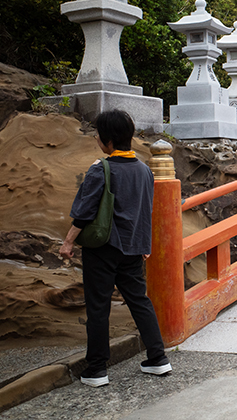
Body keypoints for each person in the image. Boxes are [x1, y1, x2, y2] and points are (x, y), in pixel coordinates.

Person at [60, 110, 171, 387]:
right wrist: (145, 243)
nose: (97, 138)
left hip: (104, 247)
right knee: (140, 301)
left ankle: (97, 369)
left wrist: (68, 241)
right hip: (133, 248)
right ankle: (158, 358)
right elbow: (146, 210)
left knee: (99, 306)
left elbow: (85, 211)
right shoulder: (145, 170)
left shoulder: (101, 169)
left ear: (108, 141)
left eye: (98, 135)